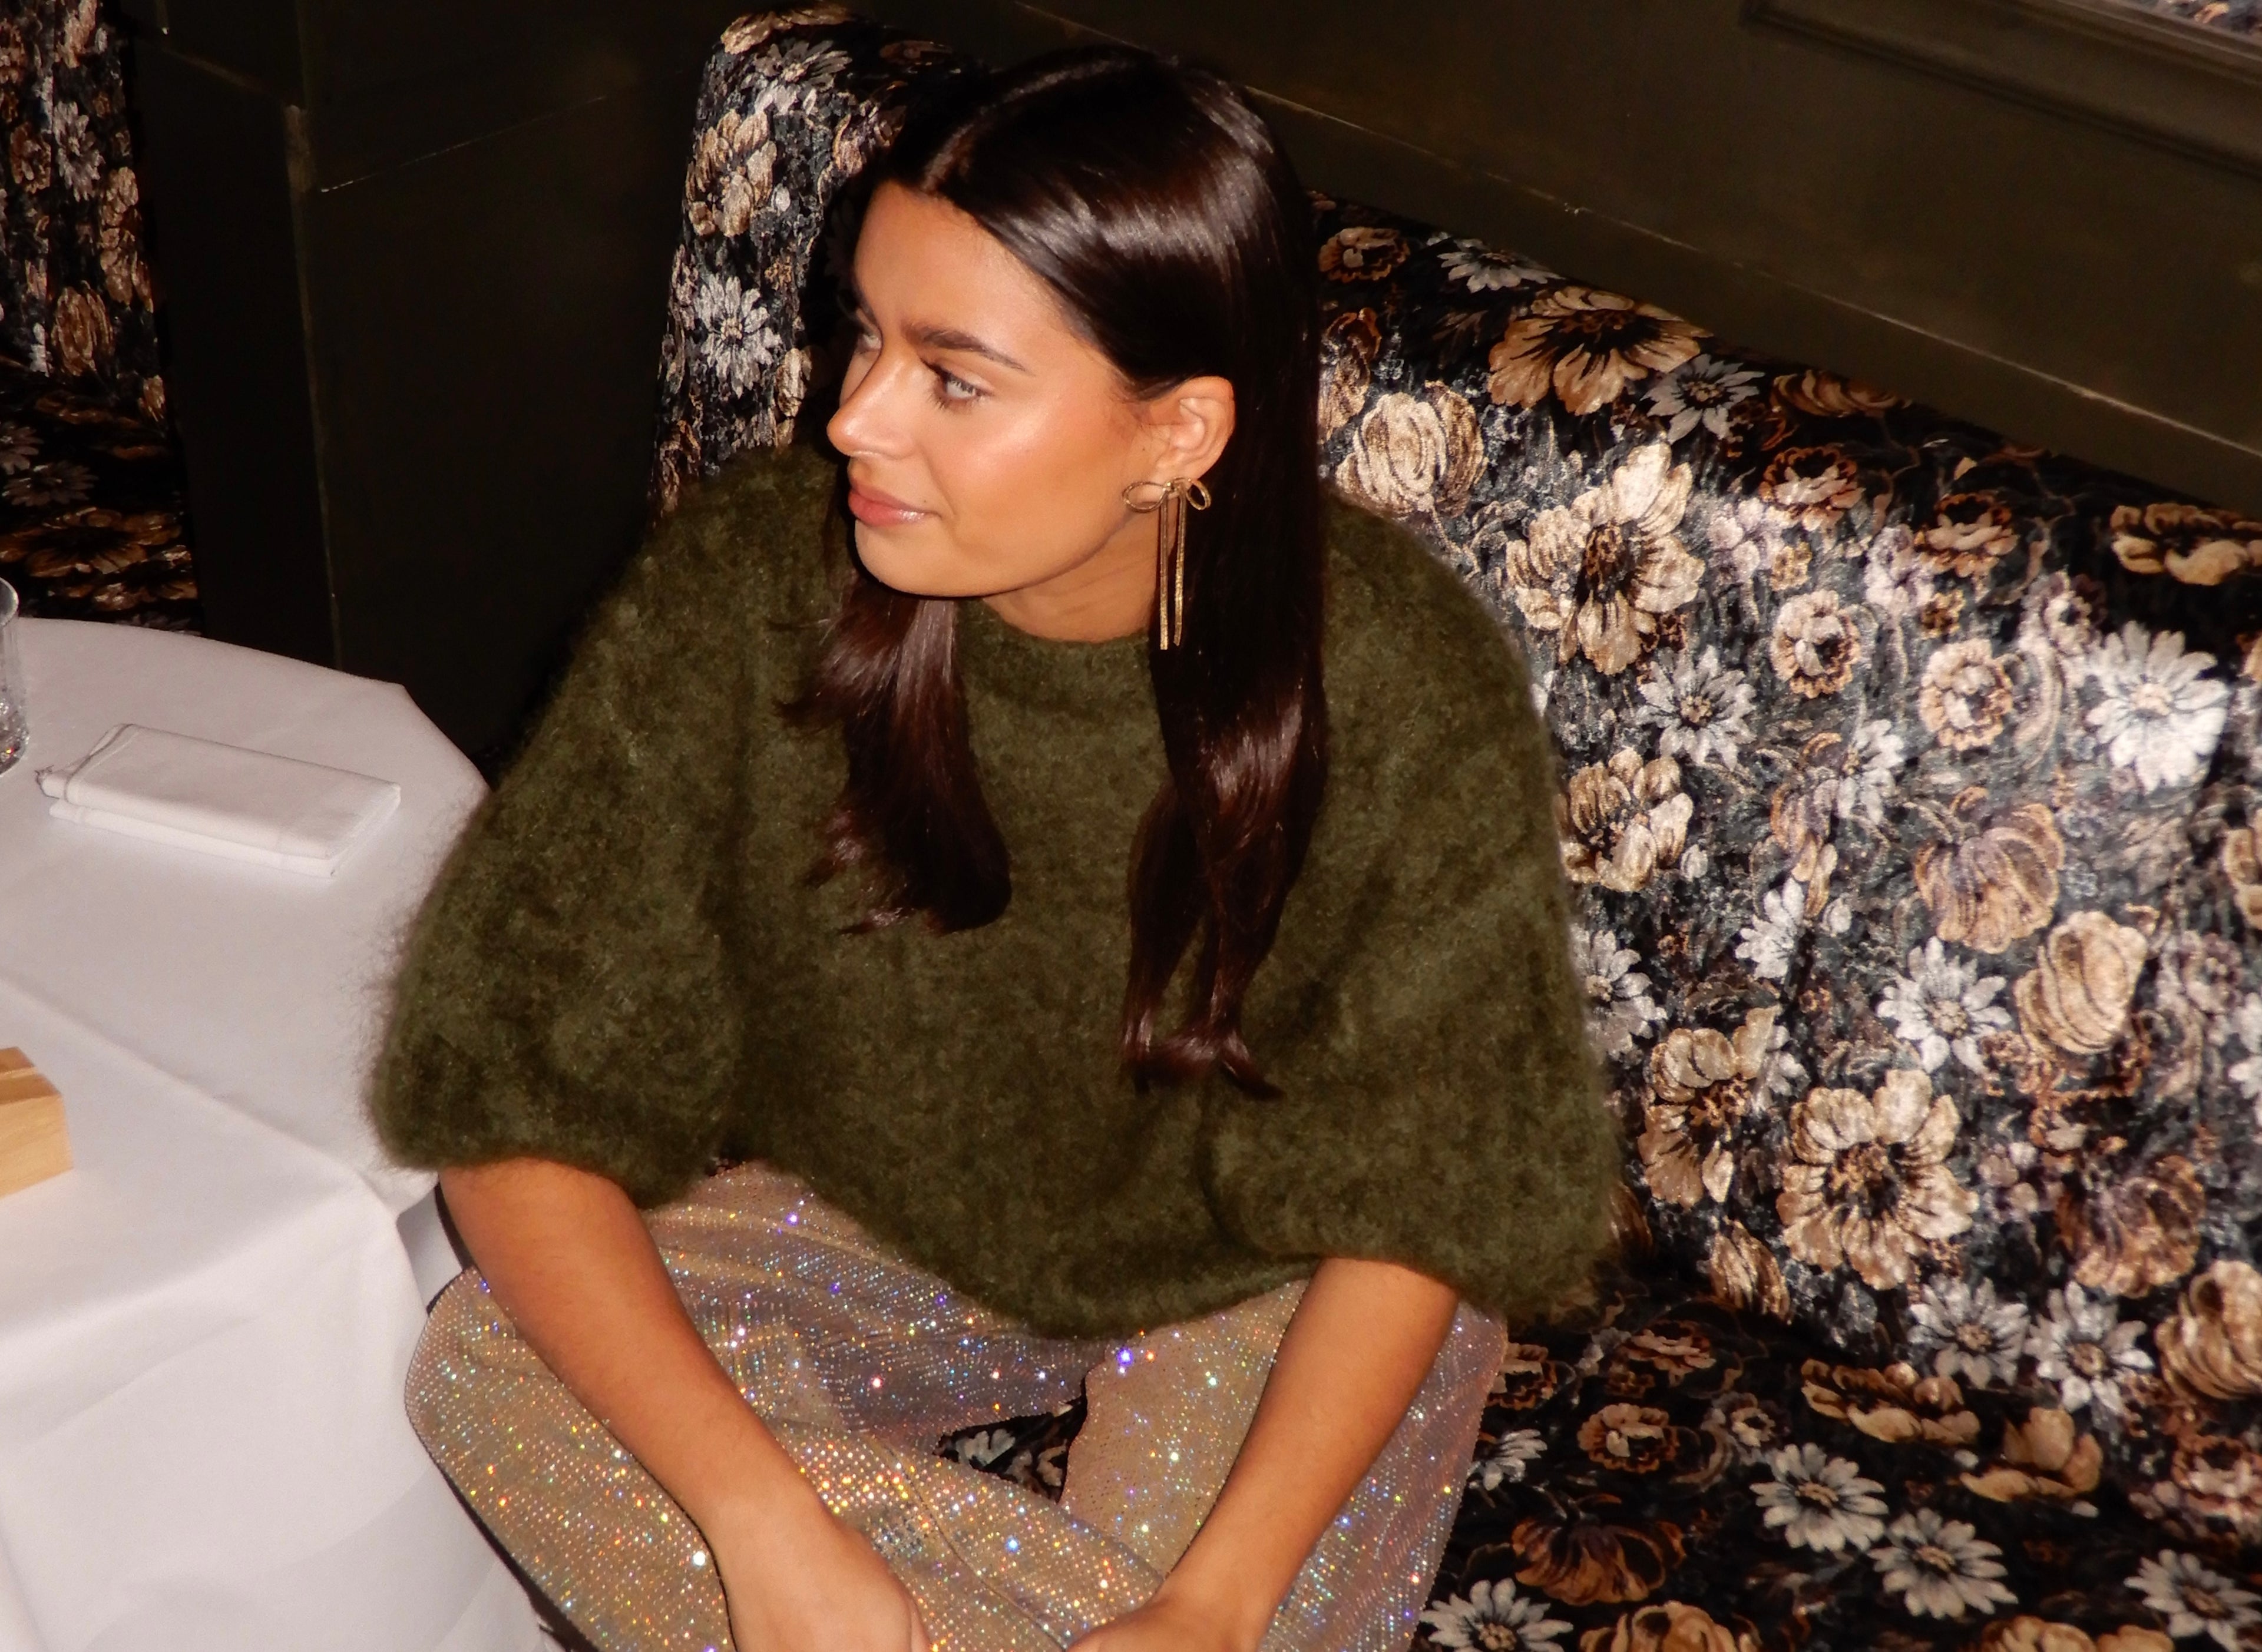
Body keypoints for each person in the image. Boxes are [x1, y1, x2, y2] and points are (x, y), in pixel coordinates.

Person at [371, 41, 1617, 1652]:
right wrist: (761, 1525)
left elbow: (1416, 1210)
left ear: (1178, 434)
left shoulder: (1404, 687)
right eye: (865, 335)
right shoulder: (741, 593)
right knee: (490, 1360)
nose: (853, 418)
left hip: (1277, 1264)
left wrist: (1213, 1612)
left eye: (953, 378)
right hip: (880, 1223)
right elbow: (513, 1105)